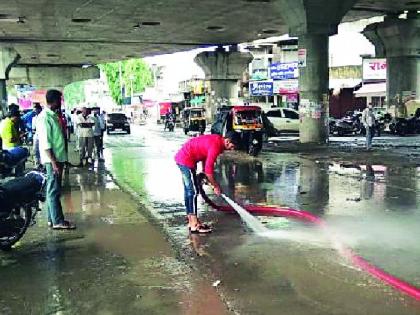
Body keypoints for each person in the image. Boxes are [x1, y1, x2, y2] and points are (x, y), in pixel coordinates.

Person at [174, 132, 238, 234]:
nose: (232, 148)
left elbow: (205, 158)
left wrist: (204, 173)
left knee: (189, 191)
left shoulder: (217, 141)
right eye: (232, 146)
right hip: (186, 160)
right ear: (227, 141)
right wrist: (215, 186)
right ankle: (194, 225)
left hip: (184, 158)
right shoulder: (216, 146)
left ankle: (192, 221)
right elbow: (209, 171)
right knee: (193, 192)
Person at [36, 89, 76, 230]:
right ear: (54, 101)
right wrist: (54, 163)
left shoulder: (52, 115)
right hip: (52, 160)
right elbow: (46, 144)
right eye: (59, 100)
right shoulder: (45, 118)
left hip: (57, 159)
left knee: (52, 189)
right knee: (54, 191)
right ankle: (58, 221)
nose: (61, 102)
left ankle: (51, 219)